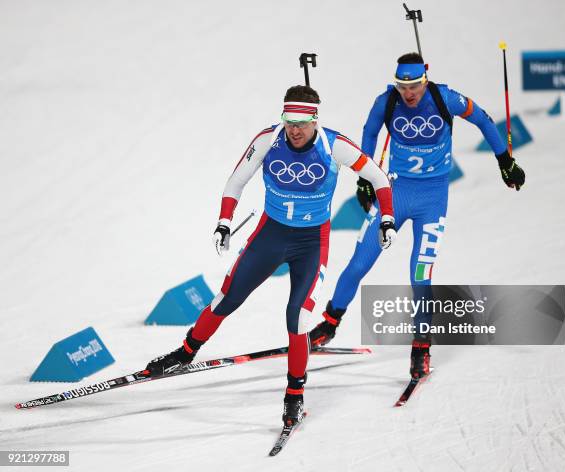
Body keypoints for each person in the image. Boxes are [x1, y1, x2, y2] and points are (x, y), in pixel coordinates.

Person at [146, 85, 397, 426]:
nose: (294, 130)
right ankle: (185, 352)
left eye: (301, 123)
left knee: (298, 318)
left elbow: (378, 177)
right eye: (288, 121)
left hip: (311, 243)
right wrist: (223, 223)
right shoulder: (268, 140)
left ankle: (294, 395)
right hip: (271, 235)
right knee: (225, 298)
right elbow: (235, 182)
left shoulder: (334, 145)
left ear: (315, 120)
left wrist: (387, 218)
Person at [309, 53, 525, 380]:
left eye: (414, 86)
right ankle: (330, 322)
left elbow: (482, 118)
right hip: (395, 193)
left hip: (433, 199)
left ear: (425, 79)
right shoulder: (387, 102)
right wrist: (366, 178)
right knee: (358, 263)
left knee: (419, 275)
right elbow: (368, 134)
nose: (408, 93)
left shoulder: (445, 98)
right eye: (402, 85)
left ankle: (421, 345)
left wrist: (504, 162)